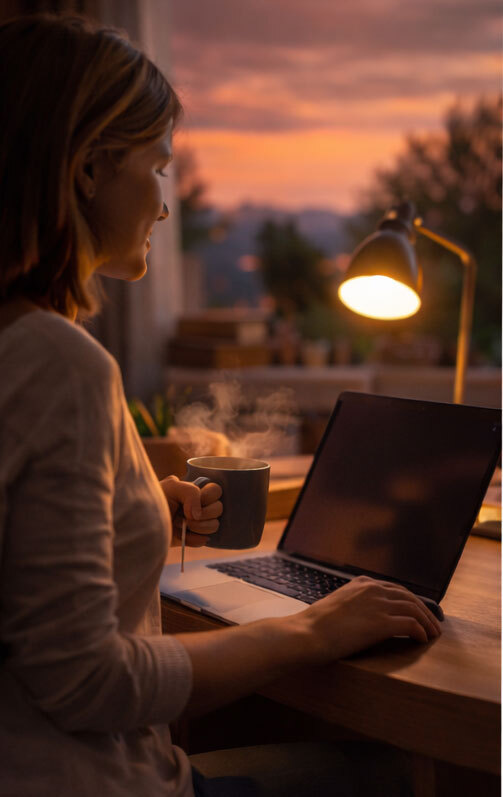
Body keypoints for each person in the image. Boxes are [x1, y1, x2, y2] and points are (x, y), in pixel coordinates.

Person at [0, 13, 441, 797]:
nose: (166, 204)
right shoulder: (55, 360)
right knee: (398, 774)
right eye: (158, 166)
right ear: (89, 168)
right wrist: (311, 627)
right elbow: (87, 682)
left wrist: (132, 515)